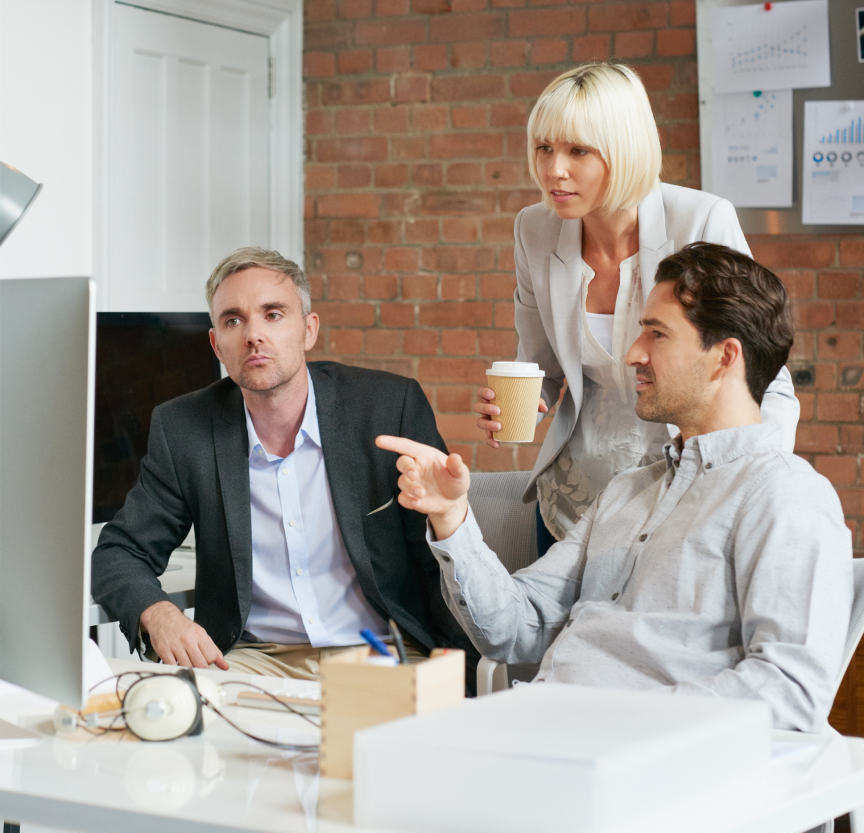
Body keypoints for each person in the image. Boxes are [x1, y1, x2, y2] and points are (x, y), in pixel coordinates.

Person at [380, 243, 851, 736]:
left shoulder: (787, 496)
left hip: (641, 755)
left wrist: (608, 721)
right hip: (548, 733)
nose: (632, 354)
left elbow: (789, 690)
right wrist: (451, 518)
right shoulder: (628, 490)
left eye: (657, 334)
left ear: (724, 357)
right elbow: (514, 629)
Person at [91, 247, 478, 685]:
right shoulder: (184, 429)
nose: (253, 335)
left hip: (383, 651)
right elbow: (119, 552)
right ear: (216, 344)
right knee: (161, 711)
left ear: (308, 330)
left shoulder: (388, 408)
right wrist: (160, 615)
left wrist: (463, 673)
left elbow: (439, 559)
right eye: (233, 320)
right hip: (254, 659)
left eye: (273, 314)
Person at [472, 62, 799, 555]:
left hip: (684, 495)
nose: (553, 169)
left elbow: (763, 377)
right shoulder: (534, 230)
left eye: (578, 150)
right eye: (544, 148)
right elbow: (542, 366)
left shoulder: (700, 220)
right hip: (573, 499)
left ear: (625, 148)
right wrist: (519, 404)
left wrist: (751, 486)